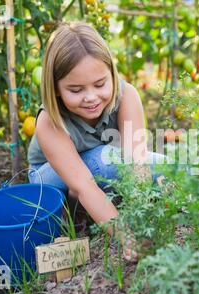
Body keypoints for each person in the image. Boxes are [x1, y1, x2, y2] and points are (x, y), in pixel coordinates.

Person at [27, 22, 167, 260]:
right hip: (50, 179)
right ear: (56, 88)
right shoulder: (49, 120)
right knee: (104, 160)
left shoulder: (127, 95)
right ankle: (74, 213)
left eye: (100, 84)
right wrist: (127, 238)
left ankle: (105, 206)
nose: (91, 97)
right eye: (76, 89)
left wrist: (139, 219)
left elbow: (136, 160)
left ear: (112, 73)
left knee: (169, 167)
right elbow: (83, 183)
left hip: (105, 164)